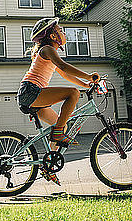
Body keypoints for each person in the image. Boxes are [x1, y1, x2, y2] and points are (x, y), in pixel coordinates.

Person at [17, 17, 99, 145]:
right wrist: (89, 76)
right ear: (53, 36)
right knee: (73, 93)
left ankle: (49, 164)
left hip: (31, 94)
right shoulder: (47, 49)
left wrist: (86, 84)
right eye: (60, 30)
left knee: (62, 125)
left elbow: (65, 74)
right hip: (30, 91)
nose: (64, 33)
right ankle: (58, 133)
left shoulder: (49, 52)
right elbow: (63, 66)